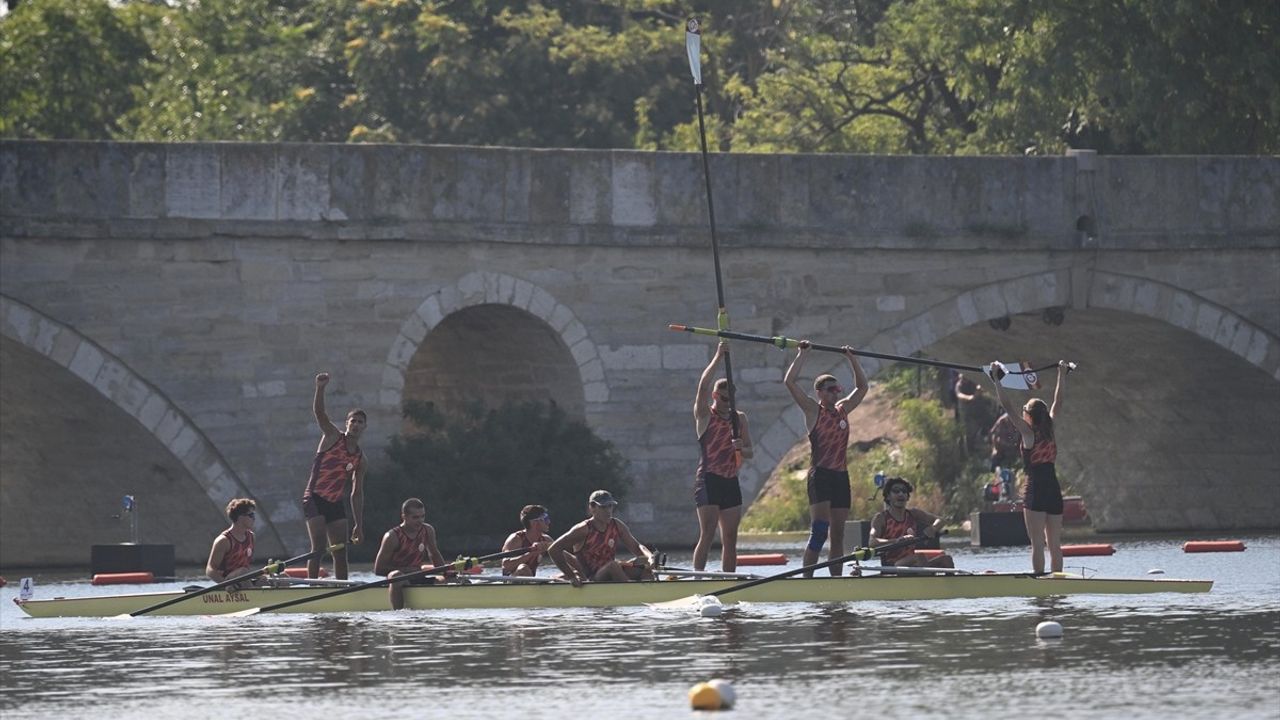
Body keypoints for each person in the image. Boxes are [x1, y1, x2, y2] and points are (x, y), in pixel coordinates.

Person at [783, 342, 868, 577]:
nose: (835, 392)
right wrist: (802, 354)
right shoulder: (813, 410)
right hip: (820, 475)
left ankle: (836, 580)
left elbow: (862, 386)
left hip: (841, 476)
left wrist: (851, 357)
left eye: (837, 389)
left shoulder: (843, 409)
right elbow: (789, 382)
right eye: (830, 389)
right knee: (820, 531)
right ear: (819, 392)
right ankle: (808, 579)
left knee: (838, 535)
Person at [985, 360, 1070, 574]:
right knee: (1054, 544)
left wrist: (996, 380)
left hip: (1036, 490)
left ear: (1029, 415)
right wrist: (1062, 372)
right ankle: (1059, 581)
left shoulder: (1028, 433)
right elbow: (1058, 401)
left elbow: (1008, 407)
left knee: (1037, 544)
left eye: (1025, 411)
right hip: (1053, 489)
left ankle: (1040, 582)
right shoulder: (1050, 427)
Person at [692, 341, 754, 572]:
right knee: (708, 534)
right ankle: (697, 579)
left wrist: (740, 447)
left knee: (730, 538)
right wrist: (719, 356)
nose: (729, 404)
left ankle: (728, 579)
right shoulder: (704, 415)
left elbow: (750, 452)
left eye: (733, 400)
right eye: (725, 399)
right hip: (708, 480)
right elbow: (703, 386)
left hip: (730, 481)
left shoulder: (740, 419)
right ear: (716, 396)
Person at [301, 372, 366, 580]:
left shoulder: (361, 459)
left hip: (335, 502)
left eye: (360, 422)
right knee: (318, 547)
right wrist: (320, 388)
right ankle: (311, 586)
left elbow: (356, 494)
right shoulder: (332, 436)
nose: (355, 425)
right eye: (352, 421)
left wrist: (359, 524)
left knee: (340, 550)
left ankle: (342, 589)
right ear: (347, 424)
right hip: (315, 497)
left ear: (364, 427)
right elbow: (320, 414)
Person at [548, 490, 658, 586]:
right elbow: (553, 549)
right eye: (603, 507)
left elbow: (637, 547)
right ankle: (632, 593)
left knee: (643, 561)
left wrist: (650, 557)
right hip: (592, 577)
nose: (608, 511)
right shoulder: (582, 529)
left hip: (610, 572)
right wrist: (571, 576)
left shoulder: (616, 525)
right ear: (592, 508)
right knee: (613, 566)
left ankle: (652, 592)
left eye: (610, 506)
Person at [373, 497, 446, 610]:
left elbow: (434, 555)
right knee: (395, 575)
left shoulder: (428, 530)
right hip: (399, 580)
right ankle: (399, 613)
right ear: (404, 517)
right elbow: (378, 569)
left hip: (418, 576)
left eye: (422, 516)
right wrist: (406, 570)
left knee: (451, 580)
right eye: (415, 517)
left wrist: (446, 573)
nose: (420, 520)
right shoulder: (392, 537)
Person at [868, 478, 953, 568]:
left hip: (912, 562)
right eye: (896, 491)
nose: (901, 494)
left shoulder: (913, 514)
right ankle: (926, 579)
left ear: (907, 497)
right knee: (919, 557)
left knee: (946, 560)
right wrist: (897, 541)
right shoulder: (880, 518)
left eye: (904, 491)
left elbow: (941, 520)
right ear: (888, 496)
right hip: (891, 565)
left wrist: (933, 528)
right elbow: (872, 542)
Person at [206, 498, 257, 583]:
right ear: (240, 517)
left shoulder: (251, 537)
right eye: (251, 515)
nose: (254, 519)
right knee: (243, 571)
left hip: (244, 580)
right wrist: (225, 585)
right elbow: (210, 570)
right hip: (228, 583)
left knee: (276, 577)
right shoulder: (224, 541)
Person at [501, 504, 554, 577]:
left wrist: (574, 568)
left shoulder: (546, 539)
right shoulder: (516, 539)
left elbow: (563, 555)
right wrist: (532, 553)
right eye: (546, 519)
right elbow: (506, 566)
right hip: (511, 581)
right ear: (534, 523)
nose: (549, 522)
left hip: (531, 580)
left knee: (569, 573)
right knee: (523, 568)